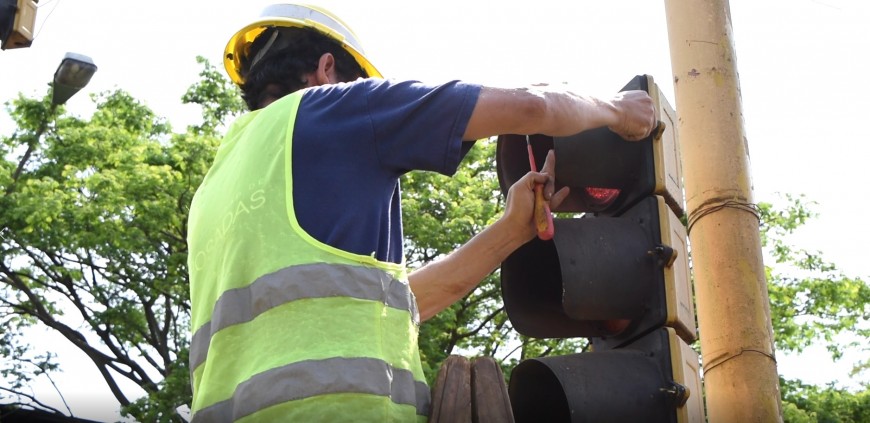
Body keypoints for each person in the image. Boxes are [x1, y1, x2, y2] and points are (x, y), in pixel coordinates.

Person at [186, 3, 656, 422]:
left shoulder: (210, 191)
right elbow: (529, 105)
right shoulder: (332, 108)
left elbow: (397, 306)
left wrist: (512, 230)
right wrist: (617, 111)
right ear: (328, 68)